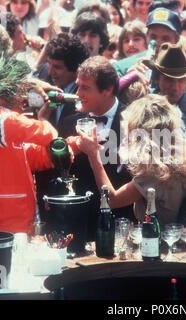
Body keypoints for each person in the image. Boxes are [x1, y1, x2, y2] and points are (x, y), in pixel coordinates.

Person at [0, 22, 73, 234]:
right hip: (2, 221)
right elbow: (47, 134)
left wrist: (75, 145)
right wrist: (43, 118)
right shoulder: (2, 121)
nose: (23, 97)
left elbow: (28, 154)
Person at [76, 94, 186, 225]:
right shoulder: (172, 157)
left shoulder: (155, 170)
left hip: (157, 240)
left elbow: (111, 200)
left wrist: (93, 154)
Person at [60, 56, 135, 240]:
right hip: (81, 225)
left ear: (107, 90)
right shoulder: (69, 123)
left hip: (122, 224)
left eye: (85, 88)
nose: (78, 93)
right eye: (78, 86)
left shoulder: (134, 121)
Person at [36, 33, 90, 130]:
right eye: (49, 64)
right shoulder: (44, 76)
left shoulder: (86, 96)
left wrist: (43, 121)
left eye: (57, 67)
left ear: (76, 69)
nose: (50, 71)